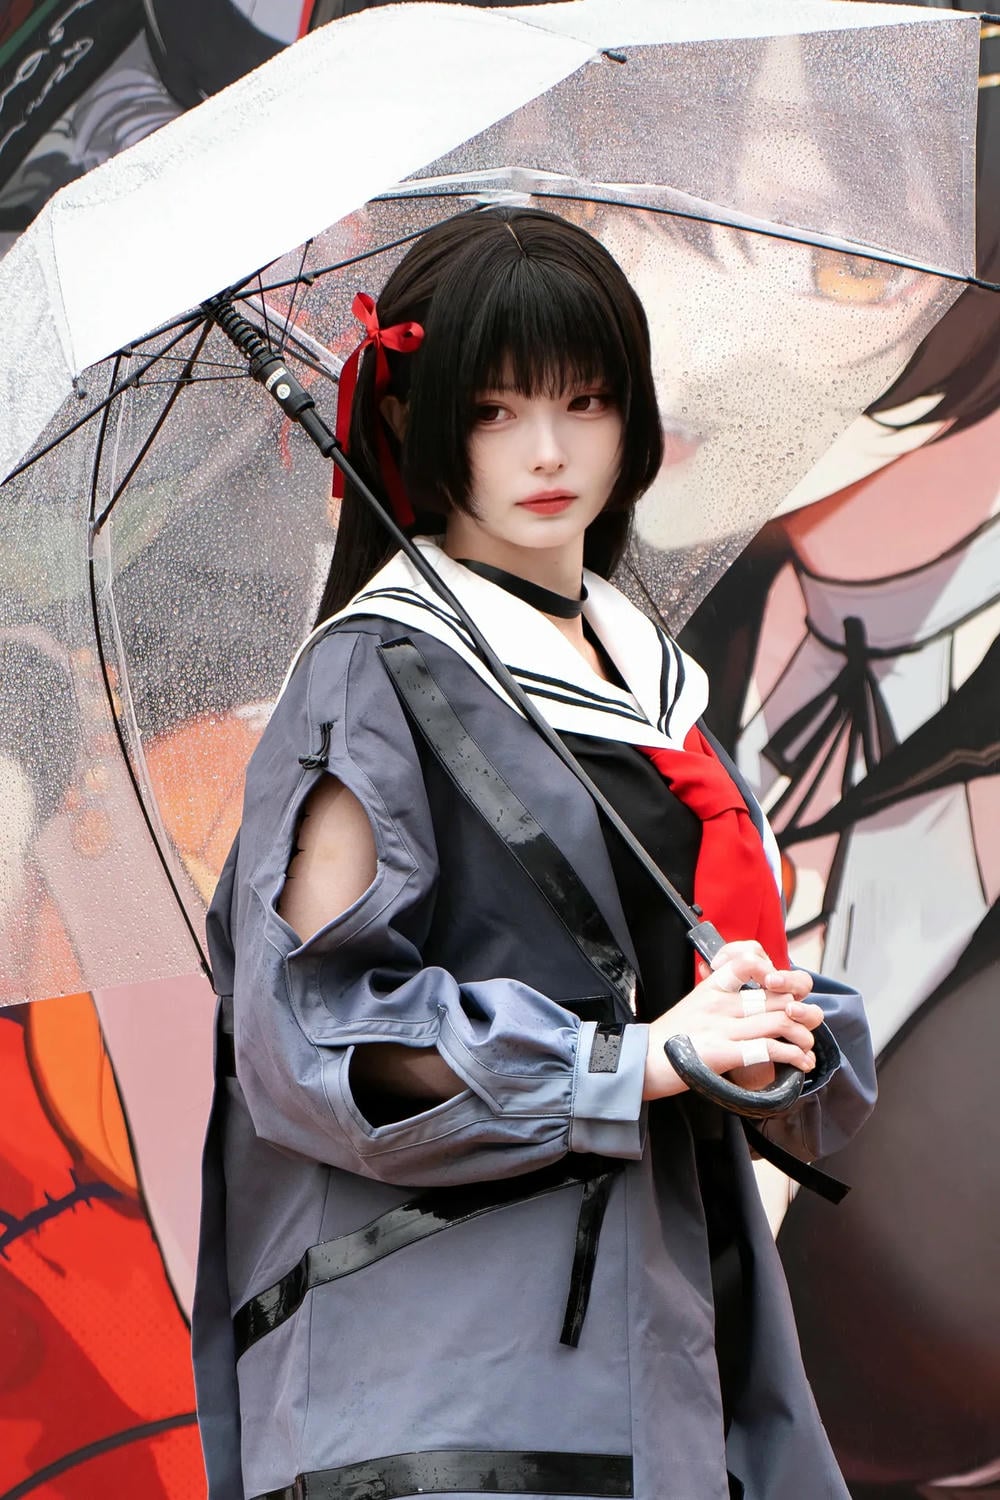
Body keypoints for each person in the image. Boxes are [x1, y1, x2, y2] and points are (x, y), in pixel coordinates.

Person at [191, 206, 876, 1500]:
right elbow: (317, 1033)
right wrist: (635, 1059)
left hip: (670, 1344)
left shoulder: (650, 683)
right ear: (411, 420)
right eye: (495, 410)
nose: (548, 451)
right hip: (454, 1383)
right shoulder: (377, 672)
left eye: (585, 400)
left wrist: (763, 1037)